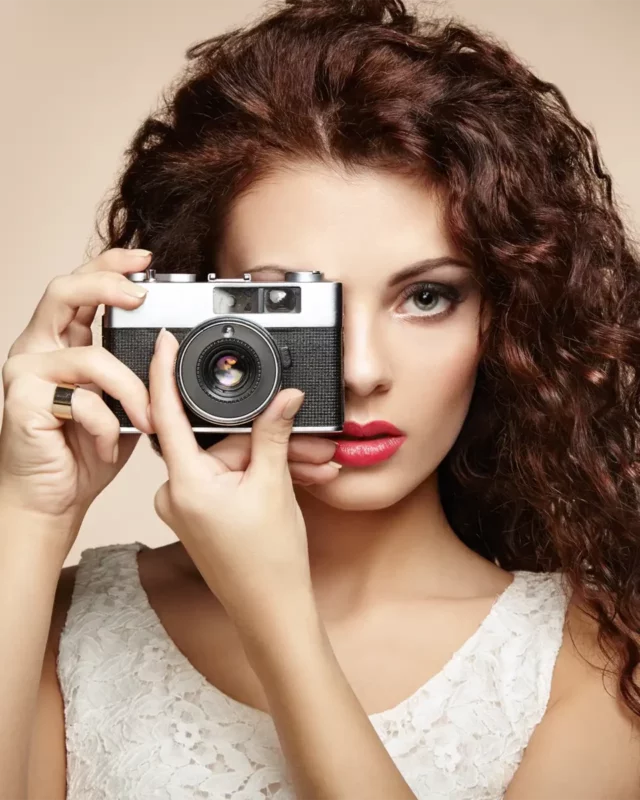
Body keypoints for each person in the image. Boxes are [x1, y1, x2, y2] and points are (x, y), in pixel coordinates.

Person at [1, 0, 639, 797]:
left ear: (508, 315)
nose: (362, 370)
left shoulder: (596, 658)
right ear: (199, 315)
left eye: (428, 297)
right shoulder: (62, 624)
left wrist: (278, 614)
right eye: (292, 304)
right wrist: (29, 515)